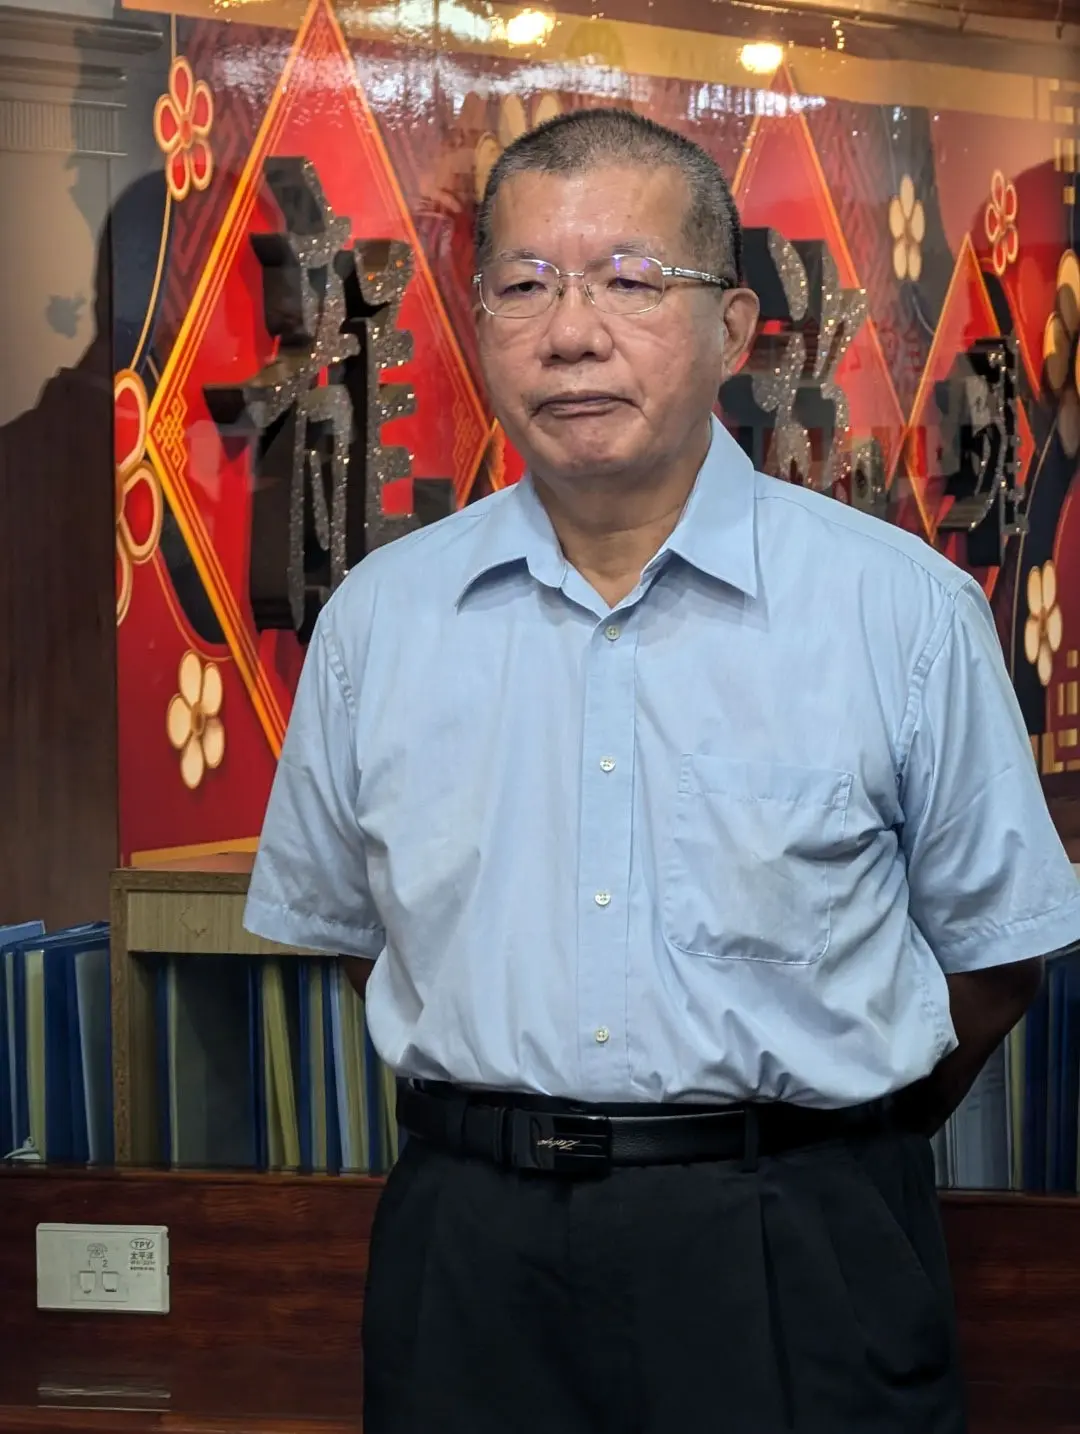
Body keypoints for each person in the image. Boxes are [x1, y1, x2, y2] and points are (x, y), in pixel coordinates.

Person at [243, 107, 1080, 1434]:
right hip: (471, 1257)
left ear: (735, 327)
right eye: (525, 285)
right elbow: (359, 938)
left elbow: (996, 960)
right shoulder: (381, 624)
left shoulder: (897, 612)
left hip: (794, 1250)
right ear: (480, 320)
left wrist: (810, 1143)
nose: (572, 332)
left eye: (631, 281)